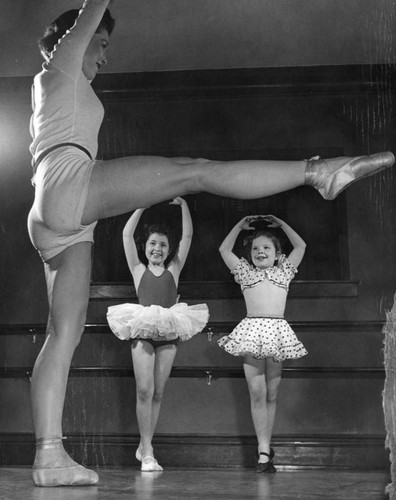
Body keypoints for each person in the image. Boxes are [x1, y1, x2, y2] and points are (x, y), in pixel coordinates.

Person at [27, 0, 394, 487]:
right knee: (195, 171)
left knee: (61, 334)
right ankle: (318, 172)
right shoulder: (63, 61)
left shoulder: (47, 87)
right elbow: (93, 10)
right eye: (102, 42)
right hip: (67, 181)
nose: (105, 55)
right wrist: (92, 19)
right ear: (72, 36)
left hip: (50, 209)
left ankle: (48, 455)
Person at [107, 198, 209, 472]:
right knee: (144, 389)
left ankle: (145, 445)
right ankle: (148, 451)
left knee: (158, 392)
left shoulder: (174, 268)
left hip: (168, 331)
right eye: (153, 243)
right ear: (146, 246)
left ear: (169, 250)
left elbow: (188, 235)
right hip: (142, 330)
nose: (157, 248)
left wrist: (185, 205)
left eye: (163, 245)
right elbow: (126, 234)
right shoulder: (138, 270)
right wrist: (140, 206)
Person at [217, 215, 308, 473]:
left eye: (266, 248)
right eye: (256, 248)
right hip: (252, 332)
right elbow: (224, 249)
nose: (260, 252)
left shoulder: (284, 271)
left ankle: (266, 448)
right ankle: (264, 453)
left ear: (278, 254)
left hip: (277, 333)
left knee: (271, 394)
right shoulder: (245, 272)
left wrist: (283, 224)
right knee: (257, 393)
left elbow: (300, 247)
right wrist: (238, 226)